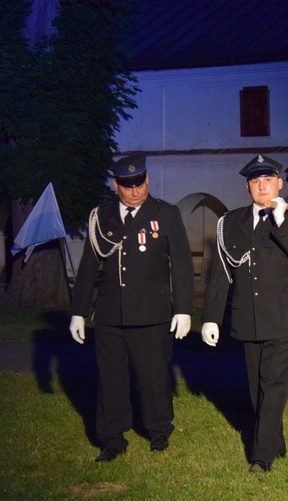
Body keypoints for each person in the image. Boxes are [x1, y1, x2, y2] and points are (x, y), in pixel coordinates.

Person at [200, 154, 288, 473]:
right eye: (255, 181)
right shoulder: (231, 222)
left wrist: (281, 221)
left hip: (286, 318)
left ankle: (261, 455)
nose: (262, 187)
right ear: (247, 186)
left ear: (280, 184)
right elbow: (222, 272)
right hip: (248, 315)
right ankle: (275, 441)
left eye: (268, 180)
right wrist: (212, 317)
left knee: (275, 385)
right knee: (257, 387)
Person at [69, 156, 193, 463]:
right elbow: (88, 266)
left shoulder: (164, 213)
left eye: (139, 183)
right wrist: (78, 311)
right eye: (127, 186)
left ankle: (159, 431)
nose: (135, 192)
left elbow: (181, 264)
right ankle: (112, 438)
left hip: (152, 314)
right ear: (115, 185)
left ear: (147, 180)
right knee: (110, 379)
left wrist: (184, 310)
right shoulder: (102, 215)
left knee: (153, 377)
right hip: (110, 314)